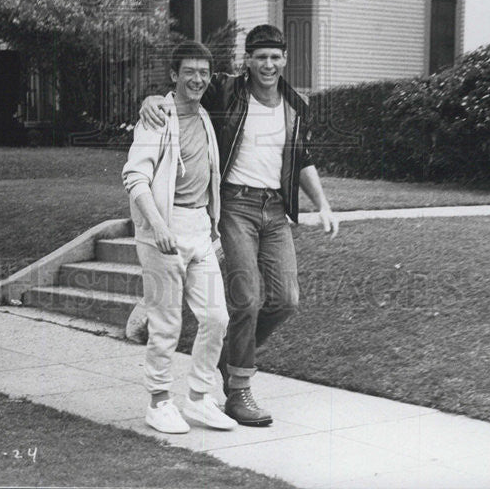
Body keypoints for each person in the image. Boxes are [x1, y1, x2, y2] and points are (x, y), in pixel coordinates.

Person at [140, 24, 339, 427]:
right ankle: (238, 391)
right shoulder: (226, 90)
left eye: (275, 57)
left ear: (284, 60)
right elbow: (182, 89)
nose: (268, 64)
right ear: (247, 60)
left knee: (286, 300)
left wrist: (323, 204)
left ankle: (232, 353)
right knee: (245, 300)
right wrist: (150, 100)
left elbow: (301, 158)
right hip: (236, 205)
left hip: (275, 210)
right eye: (260, 57)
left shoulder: (295, 105)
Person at [122, 40, 236, 435]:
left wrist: (211, 225)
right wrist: (158, 227)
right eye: (190, 71)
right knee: (166, 324)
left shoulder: (205, 114)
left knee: (217, 317)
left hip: (199, 232)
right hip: (162, 234)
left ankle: (200, 399)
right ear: (174, 75)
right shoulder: (156, 118)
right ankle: (158, 403)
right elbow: (134, 178)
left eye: (204, 73)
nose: (198, 79)